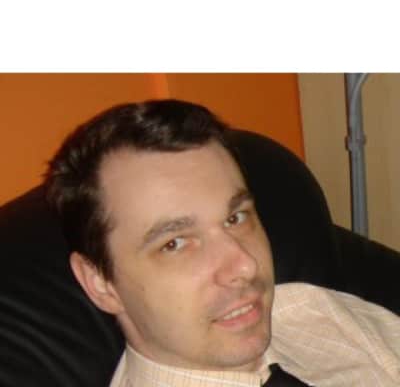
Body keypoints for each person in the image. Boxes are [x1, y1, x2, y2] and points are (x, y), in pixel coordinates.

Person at [45, 99, 399, 387]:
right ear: (100, 283)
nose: (245, 265)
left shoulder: (308, 310)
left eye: (236, 218)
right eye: (175, 243)